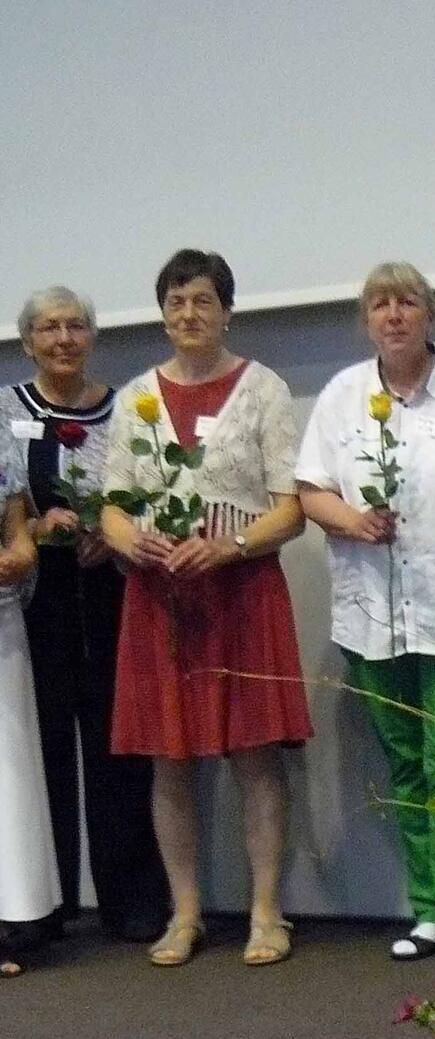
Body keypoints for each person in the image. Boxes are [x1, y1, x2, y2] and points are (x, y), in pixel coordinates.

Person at [297, 261, 435, 968]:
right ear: (367, 320)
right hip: (374, 618)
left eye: (406, 303)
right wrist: (353, 520)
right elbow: (311, 491)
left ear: (429, 316)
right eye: (379, 305)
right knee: (407, 765)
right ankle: (429, 910)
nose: (393, 315)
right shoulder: (342, 395)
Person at [102, 249, 311, 968]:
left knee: (254, 758)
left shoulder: (264, 390)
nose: (188, 315)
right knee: (170, 762)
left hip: (243, 594)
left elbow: (292, 511)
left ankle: (264, 912)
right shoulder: (136, 398)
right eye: (175, 302)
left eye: (201, 301)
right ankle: (185, 913)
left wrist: (231, 547)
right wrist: (140, 540)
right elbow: (113, 509)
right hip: (161, 600)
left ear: (227, 310)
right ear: (162, 313)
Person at [2, 287, 167, 945]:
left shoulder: (126, 408)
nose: (63, 338)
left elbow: (153, 488)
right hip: (34, 605)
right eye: (49, 328)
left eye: (75, 326)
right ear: (28, 341)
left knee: (119, 750)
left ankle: (132, 900)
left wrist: (114, 530)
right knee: (38, 755)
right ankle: (48, 905)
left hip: (112, 598)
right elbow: (6, 503)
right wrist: (39, 528)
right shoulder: (6, 409)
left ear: (93, 336)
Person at [0, 422, 61, 977]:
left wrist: (22, 550)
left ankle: (12, 922)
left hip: (1, 612)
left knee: (9, 771)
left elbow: (16, 516)